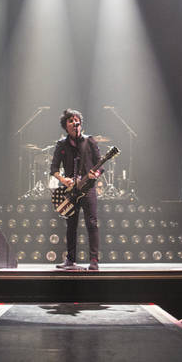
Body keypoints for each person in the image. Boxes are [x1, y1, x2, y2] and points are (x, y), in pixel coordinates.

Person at [50, 108, 102, 270]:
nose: (75, 123)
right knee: (71, 225)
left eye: (76, 120)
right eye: (71, 121)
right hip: (70, 190)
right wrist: (62, 179)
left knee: (91, 223)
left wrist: (96, 174)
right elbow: (53, 168)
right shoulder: (61, 144)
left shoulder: (89, 141)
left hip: (88, 189)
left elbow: (99, 163)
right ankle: (70, 259)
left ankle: (94, 261)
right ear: (66, 126)